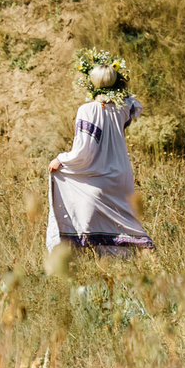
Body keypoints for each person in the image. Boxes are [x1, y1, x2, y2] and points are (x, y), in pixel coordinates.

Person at [45, 50, 155, 252]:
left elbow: (83, 151)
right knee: (127, 222)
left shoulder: (87, 110)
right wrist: (119, 83)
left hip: (99, 175)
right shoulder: (123, 108)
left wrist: (60, 159)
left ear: (91, 83)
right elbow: (132, 102)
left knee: (86, 222)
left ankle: (90, 260)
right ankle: (139, 257)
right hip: (121, 174)